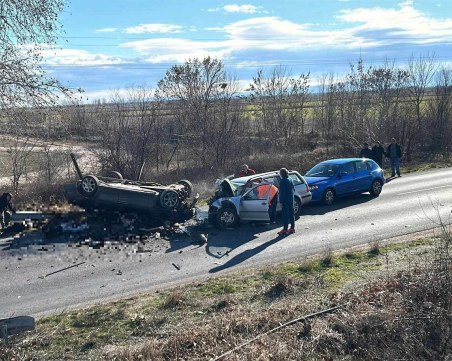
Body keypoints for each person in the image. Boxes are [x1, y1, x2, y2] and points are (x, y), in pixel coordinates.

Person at [277, 168, 295, 235]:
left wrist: (281, 201)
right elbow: (293, 189)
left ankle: (285, 229)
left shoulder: (283, 181)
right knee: (291, 214)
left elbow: (282, 192)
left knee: (285, 215)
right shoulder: (290, 179)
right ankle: (292, 228)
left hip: (285, 200)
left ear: (281, 174)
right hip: (291, 198)